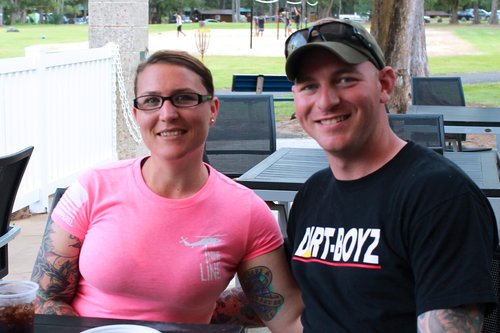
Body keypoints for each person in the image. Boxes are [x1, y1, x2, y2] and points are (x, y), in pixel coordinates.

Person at [31, 50, 303, 332]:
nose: (168, 114)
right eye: (151, 101)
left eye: (184, 98)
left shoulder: (246, 211)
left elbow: (287, 316)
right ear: (137, 115)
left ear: (212, 109)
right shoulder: (92, 188)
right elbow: (45, 297)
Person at [283, 18, 498, 332]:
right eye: (309, 86)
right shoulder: (312, 193)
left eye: (344, 80)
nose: (326, 101)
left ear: (384, 84)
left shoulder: (439, 196)